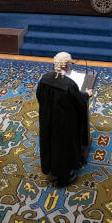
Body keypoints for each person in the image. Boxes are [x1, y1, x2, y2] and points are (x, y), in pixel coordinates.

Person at [36, 52, 90, 188]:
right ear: (66, 65)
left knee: (49, 143)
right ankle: (64, 177)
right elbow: (78, 103)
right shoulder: (69, 84)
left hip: (47, 120)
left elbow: (39, 97)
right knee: (63, 147)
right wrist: (86, 95)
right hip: (64, 124)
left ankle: (49, 168)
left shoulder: (45, 78)